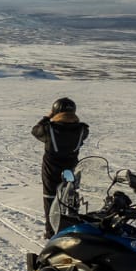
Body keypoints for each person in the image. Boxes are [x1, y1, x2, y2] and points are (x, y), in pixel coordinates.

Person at [31, 97, 89, 238]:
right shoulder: (83, 129)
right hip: (71, 169)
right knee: (70, 198)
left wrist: (47, 117)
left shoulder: (49, 128)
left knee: (50, 199)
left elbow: (35, 131)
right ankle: (71, 227)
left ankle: (51, 232)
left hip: (51, 169)